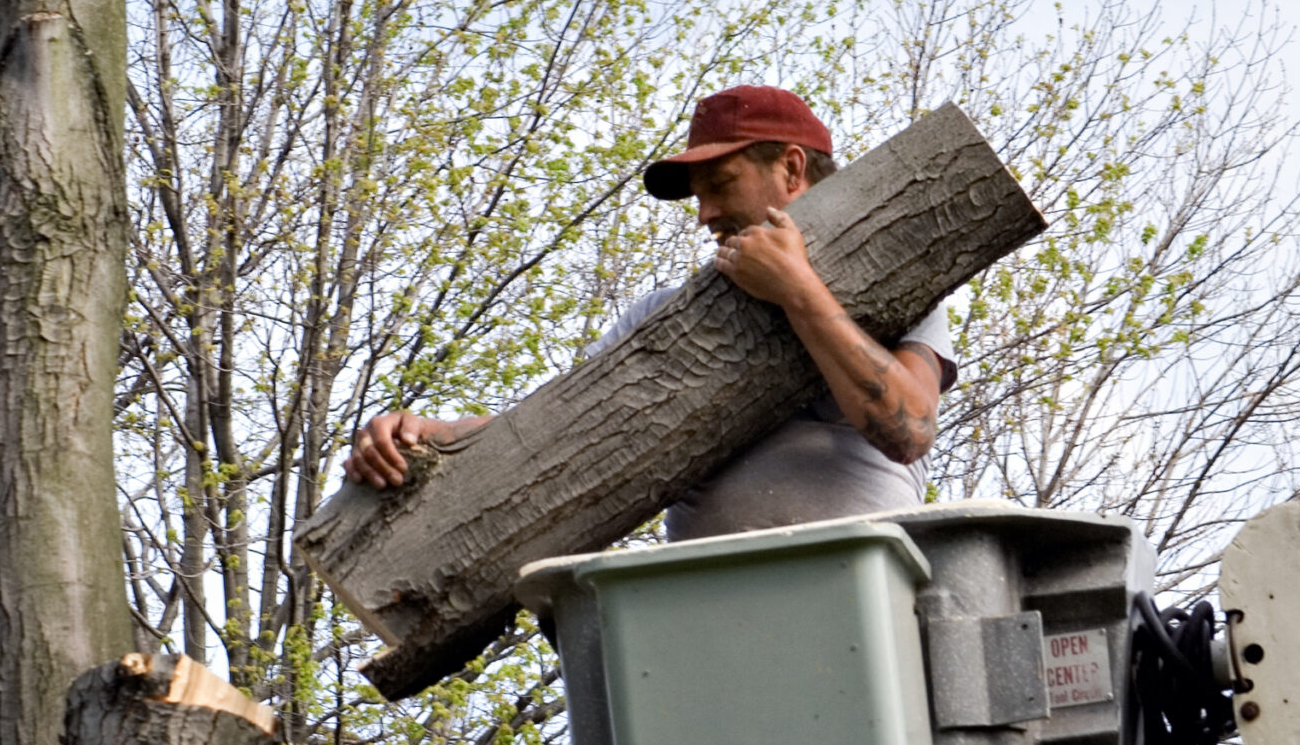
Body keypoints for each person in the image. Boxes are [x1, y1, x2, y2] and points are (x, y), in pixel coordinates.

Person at [345, 85, 956, 540]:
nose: (705, 214)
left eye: (721, 184)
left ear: (791, 169)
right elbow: (556, 425)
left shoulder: (895, 292)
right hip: (699, 615)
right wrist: (436, 435)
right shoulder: (659, 320)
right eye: (698, 197)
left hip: (864, 593)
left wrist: (798, 291)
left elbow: (907, 429)